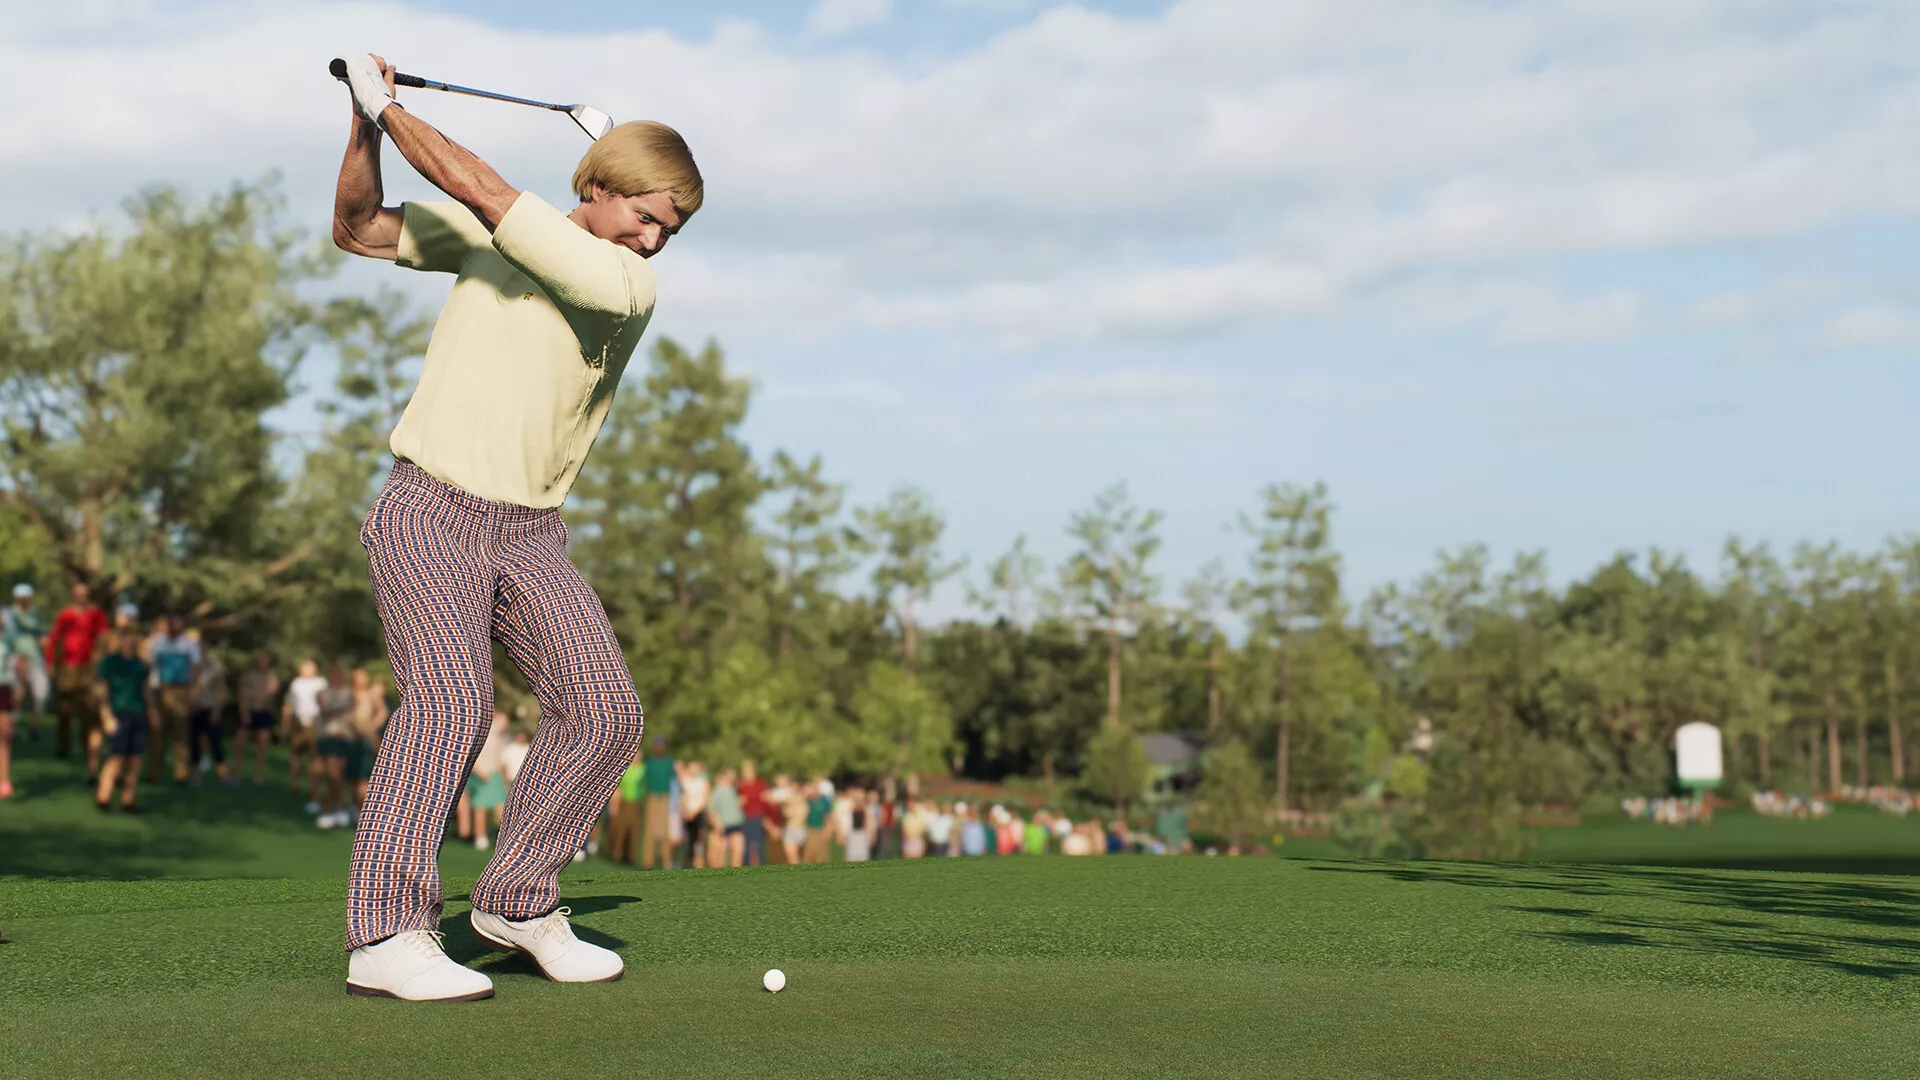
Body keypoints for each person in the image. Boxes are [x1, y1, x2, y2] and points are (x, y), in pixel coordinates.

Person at [330, 50, 700, 1000]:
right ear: (597, 187)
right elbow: (359, 227)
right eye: (646, 216)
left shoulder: (624, 284)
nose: (655, 241)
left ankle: (518, 900)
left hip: (531, 533)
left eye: (671, 228)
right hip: (430, 511)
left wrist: (391, 106)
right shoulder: (501, 235)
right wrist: (366, 126)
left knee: (606, 713)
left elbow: (485, 190)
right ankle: (386, 935)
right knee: (450, 705)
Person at [46, 582, 109, 770]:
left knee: (87, 708)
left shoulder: (96, 614)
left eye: (84, 593)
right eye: (78, 593)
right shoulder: (65, 614)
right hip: (68, 664)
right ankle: (63, 746)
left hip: (88, 666)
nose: (81, 597)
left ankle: (86, 745)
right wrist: (50, 662)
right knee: (64, 707)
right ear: (72, 595)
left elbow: (103, 637)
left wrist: (101, 660)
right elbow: (54, 638)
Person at [93, 627, 152, 813]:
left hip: (138, 712)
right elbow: (102, 689)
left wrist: (152, 712)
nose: (129, 641)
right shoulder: (110, 662)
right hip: (118, 712)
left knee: (135, 759)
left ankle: (128, 799)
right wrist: (106, 715)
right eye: (126, 637)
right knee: (116, 757)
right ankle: (103, 797)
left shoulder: (141, 665)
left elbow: (146, 691)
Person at [143, 614, 204, 786]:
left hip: (181, 689)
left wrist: (192, 692)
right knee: (157, 732)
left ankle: (180, 773)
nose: (173, 627)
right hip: (160, 688)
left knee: (181, 734)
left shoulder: (189, 644)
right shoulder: (158, 642)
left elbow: (196, 667)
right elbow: (147, 663)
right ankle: (153, 771)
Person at [315, 662, 358, 828]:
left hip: (344, 737)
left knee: (340, 774)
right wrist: (343, 707)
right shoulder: (322, 692)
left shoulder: (349, 692)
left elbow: (351, 712)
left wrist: (343, 726)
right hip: (328, 737)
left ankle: (339, 808)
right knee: (332, 775)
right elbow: (325, 710)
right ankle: (335, 807)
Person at [6, 584, 50, 743]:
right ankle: (11, 727)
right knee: (16, 694)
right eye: (21, 597)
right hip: (14, 658)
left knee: (42, 694)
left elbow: (42, 636)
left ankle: (34, 727)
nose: (24, 600)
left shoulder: (35, 614)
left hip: (35, 658)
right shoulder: (8, 614)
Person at [346, 667, 390, 821]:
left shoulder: (370, 695)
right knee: (350, 777)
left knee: (363, 778)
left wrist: (373, 726)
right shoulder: (349, 694)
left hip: (366, 739)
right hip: (350, 739)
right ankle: (352, 807)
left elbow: (383, 712)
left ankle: (365, 812)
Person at [187, 633, 231, 787]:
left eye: (203, 648)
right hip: (195, 709)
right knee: (195, 744)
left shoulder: (215, 667)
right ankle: (196, 776)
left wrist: (217, 709)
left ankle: (223, 775)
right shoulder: (190, 667)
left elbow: (221, 690)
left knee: (216, 743)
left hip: (210, 708)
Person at [283, 659, 328, 810]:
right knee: (296, 755)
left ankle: (313, 788)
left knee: (314, 757)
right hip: (298, 723)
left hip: (314, 723)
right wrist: (286, 720)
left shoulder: (320, 683)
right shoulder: (296, 683)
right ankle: (294, 786)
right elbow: (289, 702)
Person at [234, 651, 280, 786]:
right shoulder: (249, 676)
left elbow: (271, 694)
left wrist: (265, 694)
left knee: (262, 744)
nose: (263, 663)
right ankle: (237, 773)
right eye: (261, 660)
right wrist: (244, 712)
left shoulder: (272, 677)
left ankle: (258, 776)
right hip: (249, 711)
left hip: (264, 712)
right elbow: (243, 695)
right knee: (240, 742)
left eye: (265, 661)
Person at [640, 739, 676, 869]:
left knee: (665, 831)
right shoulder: (649, 762)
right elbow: (644, 780)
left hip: (665, 797)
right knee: (650, 830)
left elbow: (674, 780)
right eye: (657, 745)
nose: (659, 748)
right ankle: (648, 862)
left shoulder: (669, 761)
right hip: (652, 797)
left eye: (661, 746)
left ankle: (666, 860)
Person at [608, 749, 645, 865]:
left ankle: (631, 856)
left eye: (638, 755)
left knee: (634, 829)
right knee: (620, 827)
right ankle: (617, 854)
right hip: (623, 801)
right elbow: (617, 785)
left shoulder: (643, 769)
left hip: (637, 802)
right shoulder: (624, 768)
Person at [708, 766, 745, 868]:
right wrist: (717, 824)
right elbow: (712, 809)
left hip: (736, 823)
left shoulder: (733, 789)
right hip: (723, 825)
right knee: (720, 855)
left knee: (738, 852)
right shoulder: (718, 790)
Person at [678, 760, 712, 869]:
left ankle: (700, 865)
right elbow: (682, 797)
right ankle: (686, 864)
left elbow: (706, 798)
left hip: (699, 814)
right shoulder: (685, 781)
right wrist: (685, 810)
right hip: (687, 815)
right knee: (687, 840)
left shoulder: (703, 782)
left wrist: (695, 812)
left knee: (699, 840)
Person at [737, 759, 768, 867]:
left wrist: (747, 798)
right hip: (745, 817)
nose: (746, 774)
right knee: (746, 844)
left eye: (748, 771)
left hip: (758, 816)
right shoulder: (741, 785)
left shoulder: (760, 783)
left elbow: (763, 797)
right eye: (744, 771)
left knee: (759, 844)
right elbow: (739, 801)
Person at [803, 780, 835, 864]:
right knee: (809, 855)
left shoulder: (824, 800)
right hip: (809, 830)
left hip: (821, 830)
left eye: (815, 788)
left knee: (821, 855)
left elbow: (828, 816)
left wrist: (828, 831)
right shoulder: (807, 800)